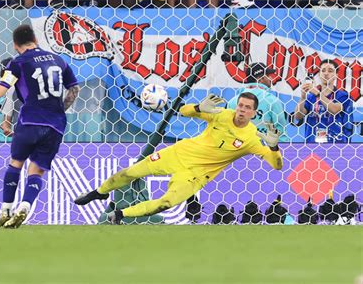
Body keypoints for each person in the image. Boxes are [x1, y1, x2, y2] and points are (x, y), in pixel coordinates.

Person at [75, 92, 283, 224]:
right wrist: (199, 109)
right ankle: (99, 193)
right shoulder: (221, 114)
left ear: (254, 113)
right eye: (240, 105)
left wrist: (273, 147)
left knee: (166, 203)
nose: (242, 110)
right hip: (178, 154)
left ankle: (121, 215)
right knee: (130, 172)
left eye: (247, 108)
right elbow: (183, 111)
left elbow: (276, 166)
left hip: (196, 175)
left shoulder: (252, 138)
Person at [0, 24, 80, 228]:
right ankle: (25, 206)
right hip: (55, 126)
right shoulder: (59, 60)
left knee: (16, 163)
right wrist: (59, 110)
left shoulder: (18, 63)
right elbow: (74, 89)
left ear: (15, 45)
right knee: (37, 171)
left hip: (29, 121)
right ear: (36, 41)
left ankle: (5, 209)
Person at [293, 59, 353, 143]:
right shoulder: (311, 97)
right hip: (312, 145)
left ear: (336, 75)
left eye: (330, 71)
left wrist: (318, 93)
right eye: (323, 70)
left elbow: (334, 110)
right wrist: (303, 97)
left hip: (336, 146)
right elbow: (298, 116)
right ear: (319, 74)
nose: (326, 73)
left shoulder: (343, 96)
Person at [228, 63, 289, 142]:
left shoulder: (232, 101)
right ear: (261, 79)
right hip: (264, 150)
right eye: (268, 75)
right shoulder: (272, 100)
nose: (270, 78)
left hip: (239, 150)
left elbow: (227, 130)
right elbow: (280, 133)